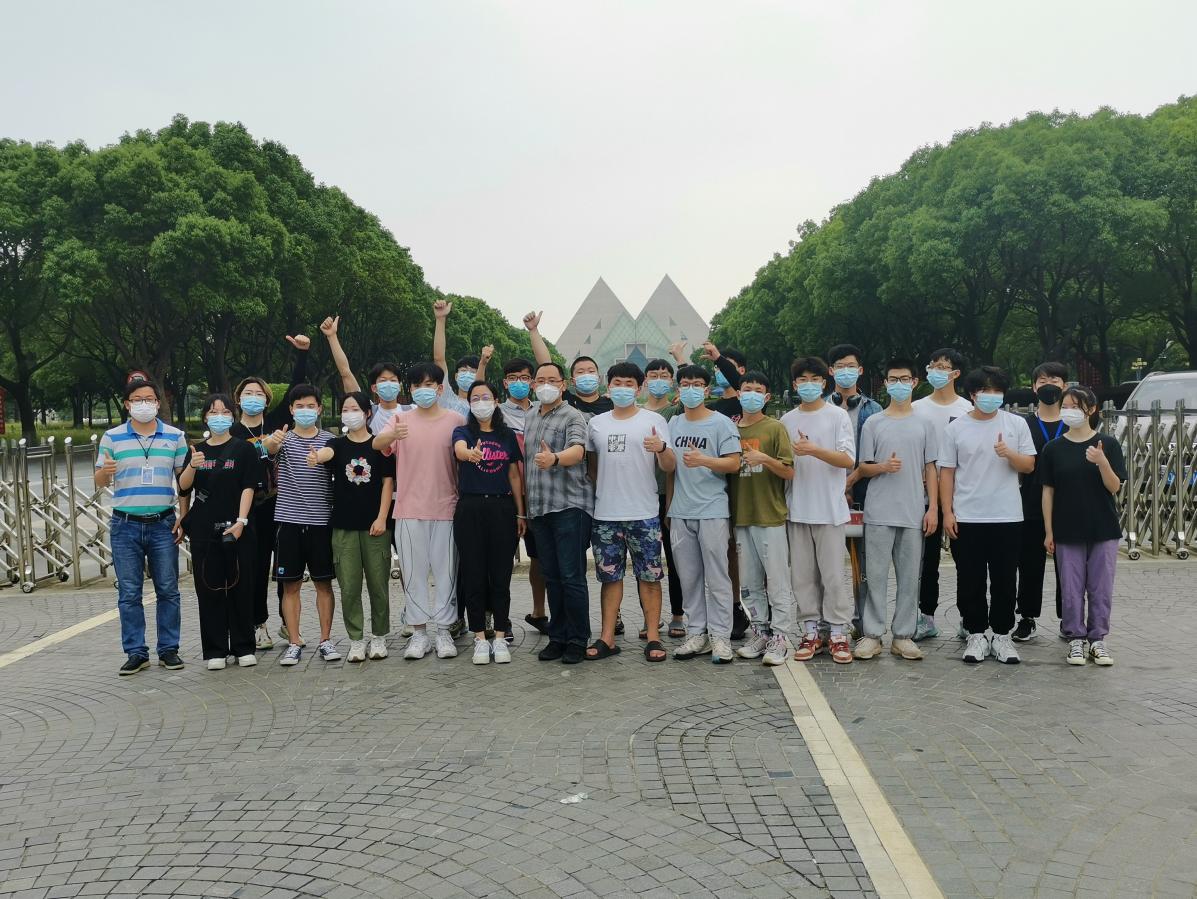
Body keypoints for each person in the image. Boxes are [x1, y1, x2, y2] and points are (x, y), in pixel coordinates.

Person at [939, 366, 1036, 664]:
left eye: (997, 391)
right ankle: (976, 633)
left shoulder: (1016, 424)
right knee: (970, 578)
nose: (991, 396)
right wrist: (947, 512)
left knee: (1005, 579)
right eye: (985, 391)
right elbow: (947, 473)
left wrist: (1009, 453)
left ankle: (1002, 635)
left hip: (1007, 516)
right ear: (972, 394)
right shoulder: (955, 428)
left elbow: (1029, 465)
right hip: (968, 516)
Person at [96, 379, 189, 676]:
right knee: (129, 593)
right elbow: (100, 481)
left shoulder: (175, 437)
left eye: (149, 398)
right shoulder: (112, 437)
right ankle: (136, 652)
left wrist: (183, 516)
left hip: (163, 522)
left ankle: (169, 649)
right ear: (127, 404)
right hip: (125, 524)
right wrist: (105, 472)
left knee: (168, 589)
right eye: (137, 399)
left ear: (158, 403)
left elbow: (183, 482)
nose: (144, 404)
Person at [373, 363, 465, 660]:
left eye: (429, 385)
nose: (423, 390)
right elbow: (377, 443)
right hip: (409, 508)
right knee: (413, 574)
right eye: (417, 386)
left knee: (446, 573)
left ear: (440, 388)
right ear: (410, 390)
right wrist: (392, 435)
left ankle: (444, 632)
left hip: (446, 508)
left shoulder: (456, 420)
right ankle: (419, 634)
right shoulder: (400, 419)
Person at [584, 363, 672, 663]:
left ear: (639, 387)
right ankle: (607, 638)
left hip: (643, 512)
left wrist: (661, 448)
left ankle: (653, 636)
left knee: (650, 576)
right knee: (610, 578)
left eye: (629, 383)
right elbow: (592, 468)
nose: (623, 388)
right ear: (608, 387)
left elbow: (669, 466)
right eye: (617, 383)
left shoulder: (654, 420)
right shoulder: (596, 424)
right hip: (606, 514)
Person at [229, 333, 311, 651]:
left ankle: (287, 623)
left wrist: (302, 354)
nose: (253, 398)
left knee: (286, 568)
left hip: (282, 505)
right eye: (247, 393)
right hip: (250, 509)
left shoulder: (277, 422)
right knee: (255, 567)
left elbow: (296, 388)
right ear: (239, 399)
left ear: (267, 400)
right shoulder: (232, 433)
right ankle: (258, 623)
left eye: (259, 394)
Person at [853, 359, 939, 662]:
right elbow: (863, 467)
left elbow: (931, 468)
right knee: (874, 577)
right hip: (878, 511)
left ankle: (903, 636)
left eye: (904, 379)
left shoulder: (925, 424)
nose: (898, 384)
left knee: (910, 577)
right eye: (893, 379)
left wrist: (933, 508)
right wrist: (883, 467)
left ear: (915, 382)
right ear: (885, 383)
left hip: (913, 511)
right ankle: (872, 634)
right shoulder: (874, 423)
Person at [307, 391, 394, 664]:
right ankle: (356, 639)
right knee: (349, 586)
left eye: (355, 409)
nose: (349, 414)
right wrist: (318, 456)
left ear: (367, 413)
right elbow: (327, 453)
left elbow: (388, 483)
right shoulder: (337, 444)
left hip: (375, 528)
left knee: (379, 585)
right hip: (343, 528)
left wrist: (382, 518)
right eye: (345, 409)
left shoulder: (379, 444)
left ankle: (379, 636)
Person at [1041, 386, 1126, 666]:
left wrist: (1102, 462)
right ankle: (1075, 638)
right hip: (1067, 529)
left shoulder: (1107, 444)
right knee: (1071, 587)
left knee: (1101, 587)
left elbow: (1114, 487)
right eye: (1065, 406)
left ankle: (1097, 639)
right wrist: (1049, 531)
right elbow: (1048, 491)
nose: (1069, 411)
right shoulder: (1053, 448)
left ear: (1091, 409)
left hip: (1103, 527)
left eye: (1075, 406)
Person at [779, 358, 856, 664]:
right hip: (797, 509)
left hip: (830, 510)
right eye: (802, 379)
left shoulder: (837, 416)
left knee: (833, 576)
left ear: (824, 383)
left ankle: (837, 633)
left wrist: (814, 450)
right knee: (802, 576)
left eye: (814, 379)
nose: (808, 384)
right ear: (794, 384)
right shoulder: (786, 420)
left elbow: (847, 460)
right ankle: (811, 631)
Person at [665, 366, 742, 663]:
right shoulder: (673, 423)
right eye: (686, 384)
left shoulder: (721, 423)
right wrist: (669, 508)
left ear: (707, 390)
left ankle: (720, 636)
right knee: (689, 577)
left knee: (718, 576)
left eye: (697, 384)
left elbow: (734, 463)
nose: (691, 389)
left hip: (712, 510)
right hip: (681, 512)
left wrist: (704, 460)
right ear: (678, 389)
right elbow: (670, 471)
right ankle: (696, 632)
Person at [178, 395, 259, 670]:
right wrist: (192, 465)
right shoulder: (197, 450)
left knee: (240, 586)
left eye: (225, 412)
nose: (219, 417)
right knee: (209, 589)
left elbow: (249, 486)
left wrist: (241, 521)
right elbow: (184, 487)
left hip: (237, 528)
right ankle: (215, 650)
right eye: (213, 412)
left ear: (233, 417)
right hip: (204, 529)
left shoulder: (243, 449)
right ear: (205, 417)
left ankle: (244, 646)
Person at [524, 361, 593, 665]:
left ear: (563, 385)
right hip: (539, 509)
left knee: (571, 576)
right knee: (551, 576)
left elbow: (578, 451)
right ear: (533, 385)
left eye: (552, 380)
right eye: (540, 380)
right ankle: (558, 636)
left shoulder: (573, 416)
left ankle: (577, 639)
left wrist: (554, 458)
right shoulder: (530, 416)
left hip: (569, 507)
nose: (546, 385)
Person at [452, 381, 526, 665]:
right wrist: (469, 453)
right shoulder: (464, 432)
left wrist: (520, 513)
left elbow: (514, 476)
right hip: (470, 508)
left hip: (502, 508)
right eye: (475, 398)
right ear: (469, 403)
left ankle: (500, 635)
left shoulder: (507, 436)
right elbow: (459, 450)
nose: (481, 402)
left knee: (501, 575)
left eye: (486, 397)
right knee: (473, 573)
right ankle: (480, 638)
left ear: (496, 401)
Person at [269, 384, 339, 666]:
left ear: (319, 409)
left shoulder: (330, 439)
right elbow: (269, 449)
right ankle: (294, 641)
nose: (305, 411)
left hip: (321, 523)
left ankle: (325, 640)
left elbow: (335, 460)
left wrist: (320, 456)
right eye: (300, 406)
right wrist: (272, 442)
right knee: (290, 587)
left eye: (311, 406)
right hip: (288, 522)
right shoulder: (283, 439)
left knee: (324, 584)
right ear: (291, 409)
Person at [728, 371, 796, 666]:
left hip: (770, 515)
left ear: (767, 397)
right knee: (749, 582)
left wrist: (765, 459)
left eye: (758, 390)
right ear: (738, 393)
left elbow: (789, 471)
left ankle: (780, 637)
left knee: (777, 581)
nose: (752, 394)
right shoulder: (730, 429)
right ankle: (760, 631)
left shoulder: (775, 428)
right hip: (741, 515)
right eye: (747, 389)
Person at [911, 347, 972, 640]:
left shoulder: (967, 409)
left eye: (943, 367)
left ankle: (968, 617)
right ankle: (926, 617)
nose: (936, 371)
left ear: (955, 374)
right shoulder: (917, 408)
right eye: (933, 365)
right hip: (924, 497)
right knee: (927, 562)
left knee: (967, 561)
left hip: (961, 497)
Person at [1014, 361, 1068, 642]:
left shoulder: (1073, 423)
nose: (1049, 385)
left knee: (1068, 567)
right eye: (1043, 380)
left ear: (1065, 386)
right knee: (1029, 565)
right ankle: (1027, 617)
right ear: (1034, 387)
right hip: (1030, 504)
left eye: (1055, 380)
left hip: (1068, 505)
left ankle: (1068, 617)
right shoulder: (1023, 425)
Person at [497, 355, 550, 640]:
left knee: (539, 557)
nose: (519, 382)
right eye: (513, 378)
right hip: (506, 496)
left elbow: (548, 366)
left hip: (539, 495)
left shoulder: (545, 409)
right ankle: (499, 619)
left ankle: (539, 613)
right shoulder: (495, 413)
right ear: (505, 383)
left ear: (532, 382)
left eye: (525, 377)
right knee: (501, 560)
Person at [644, 357, 686, 639]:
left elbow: (692, 386)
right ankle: (650, 619)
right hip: (641, 496)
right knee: (646, 562)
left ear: (672, 382)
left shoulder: (675, 411)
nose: (658, 380)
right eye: (653, 375)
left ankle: (678, 615)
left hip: (668, 494)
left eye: (664, 375)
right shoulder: (634, 413)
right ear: (644, 381)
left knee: (674, 559)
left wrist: (681, 360)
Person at [320, 314, 410, 434]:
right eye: (383, 380)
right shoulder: (368, 412)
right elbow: (345, 372)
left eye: (393, 380)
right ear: (374, 387)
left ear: (399, 386)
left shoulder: (412, 411)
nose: (388, 384)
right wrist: (332, 336)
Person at [432, 299, 477, 418]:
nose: (467, 374)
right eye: (464, 370)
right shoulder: (447, 397)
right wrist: (440, 319)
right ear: (456, 376)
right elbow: (439, 359)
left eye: (473, 372)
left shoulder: (484, 406)